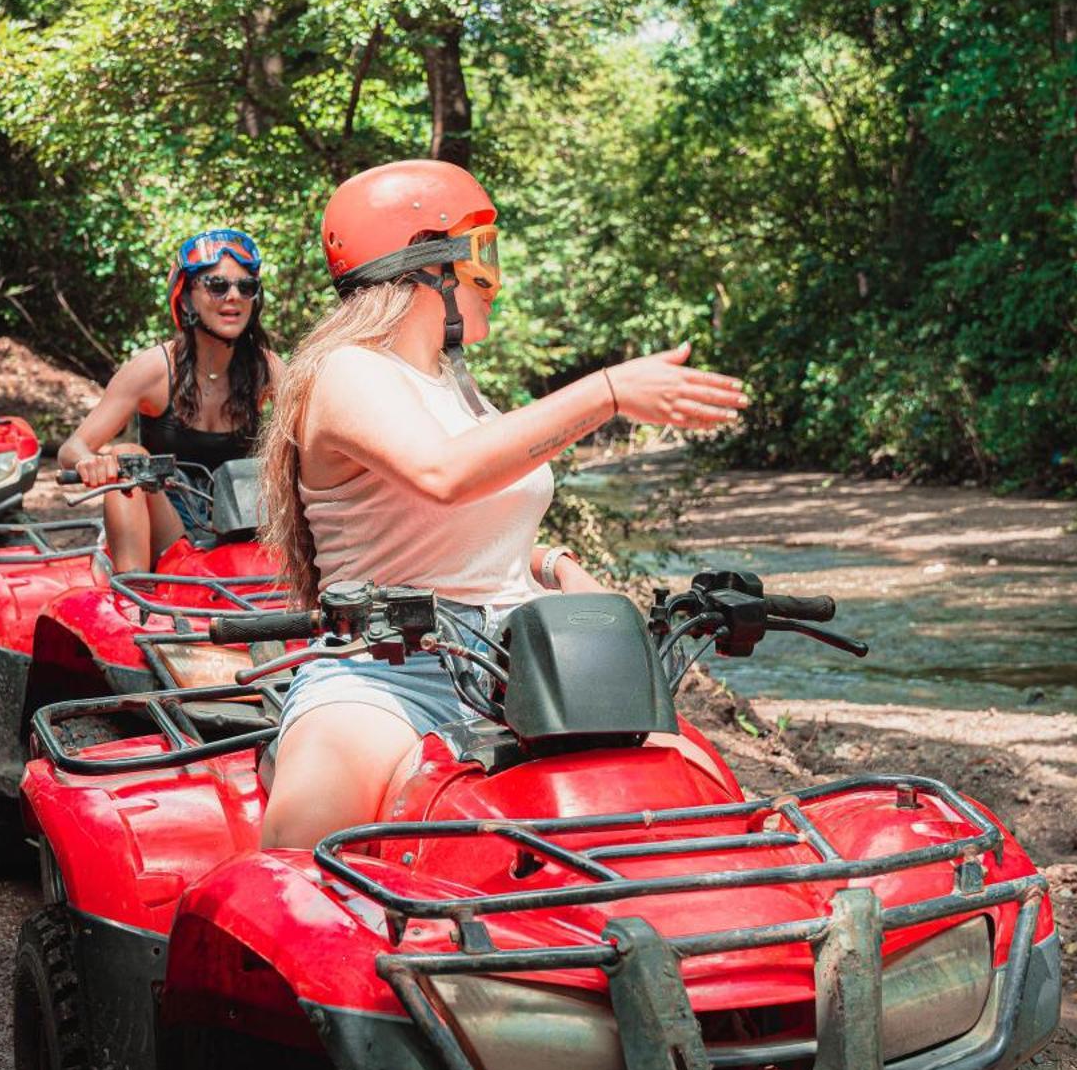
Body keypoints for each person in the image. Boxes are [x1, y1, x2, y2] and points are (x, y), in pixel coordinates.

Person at [254, 159, 750, 849]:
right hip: (387, 673)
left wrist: (551, 563)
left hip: (522, 666)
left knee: (708, 808)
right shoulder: (346, 370)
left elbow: (464, 520)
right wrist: (606, 392)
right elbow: (443, 473)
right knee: (300, 855)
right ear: (427, 263)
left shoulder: (453, 381)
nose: (497, 279)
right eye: (483, 254)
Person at [59, 229, 283, 572]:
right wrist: (91, 463)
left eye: (246, 287)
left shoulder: (266, 370)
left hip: (242, 531)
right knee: (126, 456)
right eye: (217, 285)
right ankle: (132, 592)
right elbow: (71, 448)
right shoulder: (153, 370)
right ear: (187, 297)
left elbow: (310, 443)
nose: (234, 296)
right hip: (167, 529)